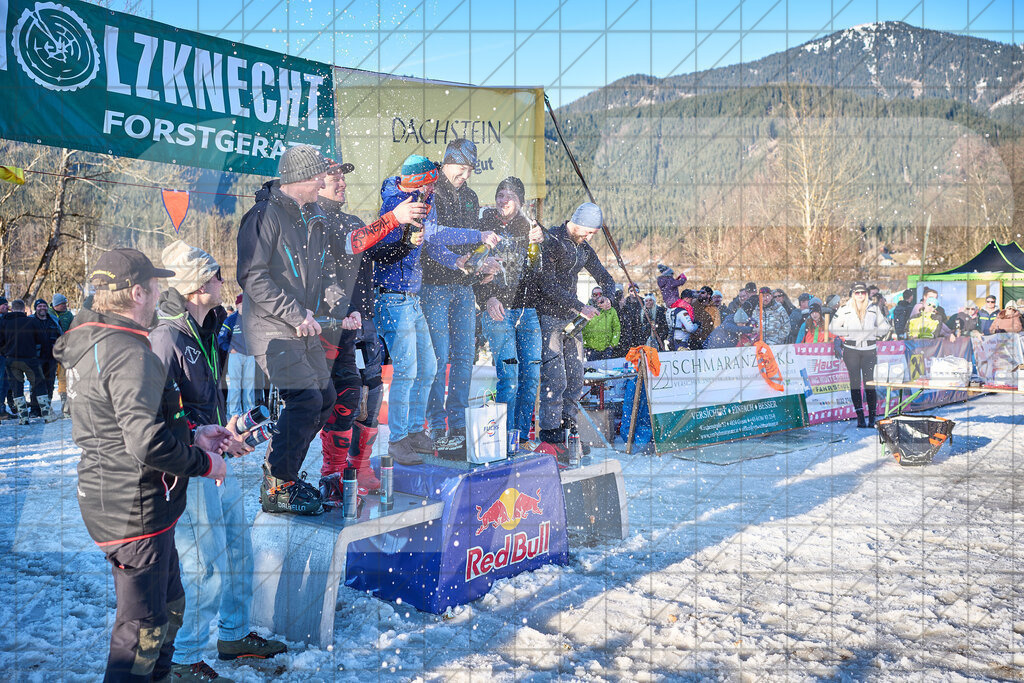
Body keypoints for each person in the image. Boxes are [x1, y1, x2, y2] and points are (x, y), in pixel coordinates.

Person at [52, 248, 231, 682]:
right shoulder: (128, 352)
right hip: (133, 511)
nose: (159, 294)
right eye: (154, 287)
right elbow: (145, 441)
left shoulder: (104, 343)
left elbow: (127, 423)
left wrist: (192, 435)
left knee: (168, 609)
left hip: (133, 504)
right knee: (142, 630)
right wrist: (204, 463)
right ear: (137, 292)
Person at [151, 241, 286, 680]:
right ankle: (185, 659)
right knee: (204, 564)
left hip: (212, 457)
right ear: (193, 287)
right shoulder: (167, 334)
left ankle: (233, 634)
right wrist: (198, 441)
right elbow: (156, 413)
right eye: (213, 275)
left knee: (238, 552)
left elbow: (200, 403)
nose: (222, 280)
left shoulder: (207, 328)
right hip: (186, 468)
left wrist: (226, 434)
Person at [236, 144, 348, 515]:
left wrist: (338, 305)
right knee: (305, 400)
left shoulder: (313, 215)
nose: (324, 182)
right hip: (272, 328)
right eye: (319, 176)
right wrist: (295, 313)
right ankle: (277, 485)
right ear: (300, 178)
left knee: (325, 398)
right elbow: (252, 276)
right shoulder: (263, 215)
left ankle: (284, 475)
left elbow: (326, 269)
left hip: (304, 327)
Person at [370, 153, 496, 464]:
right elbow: (390, 246)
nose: (432, 190)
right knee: (408, 370)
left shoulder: (422, 201)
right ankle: (397, 439)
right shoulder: (397, 203)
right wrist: (476, 235)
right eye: (429, 184)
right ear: (418, 181)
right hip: (392, 296)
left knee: (428, 367)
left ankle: (415, 431)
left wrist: (458, 261)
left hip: (412, 297)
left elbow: (432, 240)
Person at [317, 155, 426, 493]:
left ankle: (360, 467)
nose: (342, 183)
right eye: (335, 177)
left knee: (372, 391)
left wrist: (406, 239)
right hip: (334, 324)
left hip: (365, 319)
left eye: (344, 177)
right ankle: (332, 471)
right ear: (317, 181)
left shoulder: (349, 219)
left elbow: (377, 253)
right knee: (347, 397)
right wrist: (394, 217)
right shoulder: (315, 220)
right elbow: (355, 242)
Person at [421, 139, 500, 457]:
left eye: (470, 170)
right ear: (447, 162)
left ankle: (458, 424)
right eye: (462, 169)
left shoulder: (470, 196)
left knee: (465, 359)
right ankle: (436, 426)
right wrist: (460, 260)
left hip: (464, 288)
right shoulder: (431, 190)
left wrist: (483, 261)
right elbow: (432, 238)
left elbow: (476, 243)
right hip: (434, 286)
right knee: (438, 360)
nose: (465, 175)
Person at [535, 202, 615, 461]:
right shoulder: (553, 240)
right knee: (555, 378)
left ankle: (569, 432)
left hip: (572, 317)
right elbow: (546, 285)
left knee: (575, 377)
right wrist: (579, 305)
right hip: (549, 315)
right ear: (576, 222)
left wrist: (608, 298)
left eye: (593, 234)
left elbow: (605, 277)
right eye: (588, 232)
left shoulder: (582, 247)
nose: (589, 236)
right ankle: (550, 435)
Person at [476, 176, 545, 443]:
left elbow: (539, 269)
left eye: (510, 196)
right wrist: (488, 300)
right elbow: (474, 268)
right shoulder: (484, 224)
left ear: (521, 201)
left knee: (531, 378)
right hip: (499, 311)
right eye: (500, 194)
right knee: (511, 377)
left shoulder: (530, 227)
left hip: (528, 311)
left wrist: (541, 240)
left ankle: (520, 437)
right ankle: (503, 440)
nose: (503, 200)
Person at [829, 282, 891, 428]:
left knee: (870, 384)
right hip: (852, 350)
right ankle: (860, 416)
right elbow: (833, 327)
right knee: (855, 384)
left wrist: (873, 334)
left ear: (867, 294)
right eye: (857, 293)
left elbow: (885, 327)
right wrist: (849, 334)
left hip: (869, 350)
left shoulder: (874, 308)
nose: (860, 295)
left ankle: (872, 417)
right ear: (853, 294)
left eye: (863, 292)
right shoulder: (845, 309)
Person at [0, 299, 52, 424]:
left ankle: (23, 418)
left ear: (12, 308)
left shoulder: (4, 323)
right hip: (30, 359)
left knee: (17, 387)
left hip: (11, 360)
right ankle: (46, 415)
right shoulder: (32, 321)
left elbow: (1, 342)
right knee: (39, 384)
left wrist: (6, 353)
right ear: (24, 309)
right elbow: (43, 340)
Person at [219, 294, 256, 419]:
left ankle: (249, 412)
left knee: (249, 385)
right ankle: (233, 413)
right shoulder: (230, 319)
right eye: (242, 304)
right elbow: (221, 339)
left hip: (250, 356)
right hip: (235, 356)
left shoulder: (252, 319)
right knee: (235, 386)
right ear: (237, 305)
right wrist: (229, 349)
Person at [31, 298, 62, 418]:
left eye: (44, 306)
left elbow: (61, 336)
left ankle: (47, 407)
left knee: (49, 383)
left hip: (51, 357)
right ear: (36, 308)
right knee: (36, 383)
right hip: (36, 358)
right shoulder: (30, 321)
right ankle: (35, 409)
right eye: (39, 306)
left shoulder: (53, 321)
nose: (42, 308)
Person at [582, 286, 620, 360]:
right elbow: (581, 328)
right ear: (591, 296)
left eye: (600, 294)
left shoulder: (611, 310)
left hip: (606, 349)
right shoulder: (586, 309)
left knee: (606, 370)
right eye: (595, 294)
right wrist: (584, 346)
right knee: (592, 371)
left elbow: (617, 328)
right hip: (591, 349)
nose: (598, 296)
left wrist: (612, 344)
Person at [51, 293, 74, 416]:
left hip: (64, 350)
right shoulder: (48, 313)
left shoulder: (69, 315)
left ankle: (64, 402)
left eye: (65, 303)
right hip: (48, 350)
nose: (65, 306)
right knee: (47, 377)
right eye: (62, 304)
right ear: (56, 305)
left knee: (62, 376)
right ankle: (44, 405)